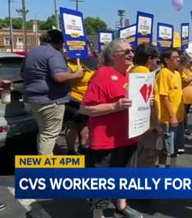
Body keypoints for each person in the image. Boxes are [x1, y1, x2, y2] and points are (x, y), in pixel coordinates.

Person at [80, 39, 143, 218]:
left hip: (129, 136)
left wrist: (145, 102)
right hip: (105, 141)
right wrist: (114, 107)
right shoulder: (102, 75)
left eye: (132, 50)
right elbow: (85, 108)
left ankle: (121, 205)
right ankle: (98, 213)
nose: (131, 54)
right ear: (114, 55)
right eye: (126, 51)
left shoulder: (130, 76)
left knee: (125, 175)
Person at [21, 29, 84, 155]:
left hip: (33, 99)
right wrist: (76, 75)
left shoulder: (31, 53)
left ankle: (44, 161)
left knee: (44, 133)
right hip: (50, 100)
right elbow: (59, 76)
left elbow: (22, 74)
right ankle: (46, 169)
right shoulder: (54, 54)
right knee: (49, 135)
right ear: (60, 41)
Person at [129, 43, 162, 168]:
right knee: (147, 160)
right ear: (149, 58)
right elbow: (148, 102)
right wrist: (156, 125)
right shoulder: (144, 73)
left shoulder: (133, 69)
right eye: (156, 59)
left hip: (137, 125)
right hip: (147, 127)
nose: (157, 62)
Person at [156, 49, 185, 167]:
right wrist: (172, 116)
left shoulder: (177, 73)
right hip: (168, 118)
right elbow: (164, 96)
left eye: (179, 57)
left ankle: (173, 167)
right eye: (175, 57)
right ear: (167, 60)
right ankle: (162, 169)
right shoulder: (164, 73)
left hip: (179, 118)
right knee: (165, 147)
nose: (178, 59)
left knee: (175, 146)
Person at [64, 58, 96, 155]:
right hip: (73, 99)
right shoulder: (67, 65)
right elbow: (64, 81)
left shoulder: (88, 63)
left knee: (85, 124)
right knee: (72, 125)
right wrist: (76, 75)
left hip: (87, 98)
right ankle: (70, 150)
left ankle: (83, 146)